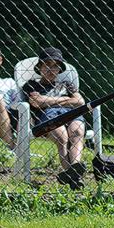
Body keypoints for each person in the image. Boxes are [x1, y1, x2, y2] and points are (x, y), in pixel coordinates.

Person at [21, 47, 86, 189]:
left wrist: (47, 99)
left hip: (71, 114)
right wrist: (65, 99)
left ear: (59, 69)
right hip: (48, 116)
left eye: (55, 65)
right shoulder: (32, 85)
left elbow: (80, 102)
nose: (51, 69)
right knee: (62, 136)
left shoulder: (67, 84)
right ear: (40, 67)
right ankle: (75, 176)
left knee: (77, 131)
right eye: (47, 65)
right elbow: (36, 102)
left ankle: (73, 171)